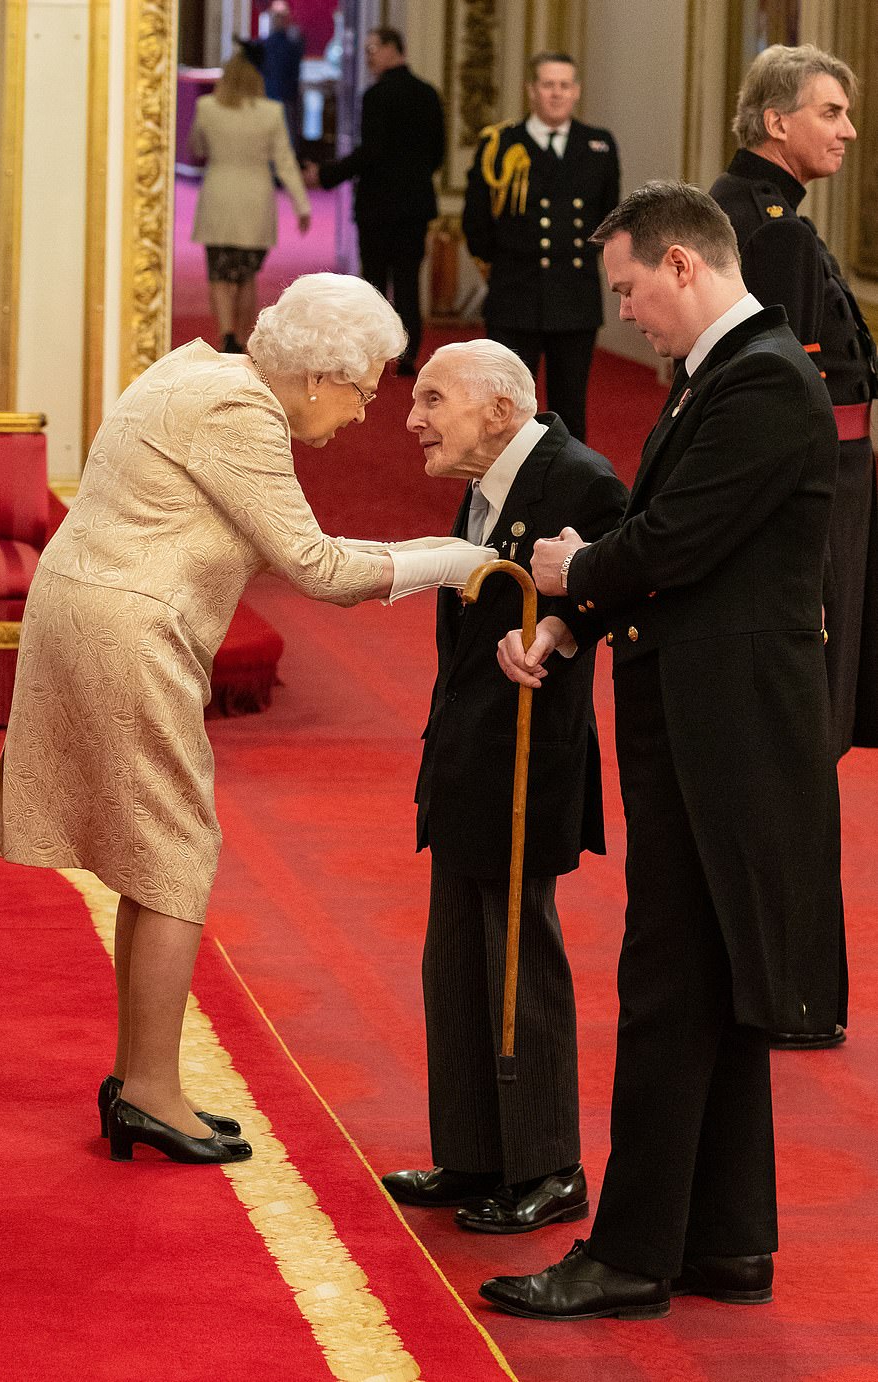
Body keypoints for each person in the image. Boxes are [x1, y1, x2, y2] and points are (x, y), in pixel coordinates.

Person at [0, 274, 494, 1167]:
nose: (366, 412)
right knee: (175, 849)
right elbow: (316, 566)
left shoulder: (196, 369)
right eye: (366, 390)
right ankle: (149, 1089)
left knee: (151, 850)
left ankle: (143, 1079)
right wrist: (448, 559)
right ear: (321, 377)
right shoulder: (242, 414)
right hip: (129, 628)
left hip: (87, 610)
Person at [486, 182, 841, 1320]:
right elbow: (669, 541)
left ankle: (631, 1253)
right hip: (711, 723)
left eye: (629, 288)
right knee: (711, 979)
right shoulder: (723, 375)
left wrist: (567, 576)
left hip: (729, 734)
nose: (624, 312)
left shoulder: (766, 380)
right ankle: (728, 1242)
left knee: (666, 983)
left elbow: (671, 540)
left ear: (683, 265)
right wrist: (568, 618)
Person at [381, 340, 627, 1232]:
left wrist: (557, 631)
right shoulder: (491, 477)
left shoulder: (580, 479)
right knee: (455, 957)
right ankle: (473, 1155)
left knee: (522, 958)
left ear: (499, 409)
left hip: (530, 756)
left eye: (433, 400)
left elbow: (614, 585)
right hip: (467, 752)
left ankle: (547, 1164)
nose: (413, 418)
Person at [709, 43, 878, 1050]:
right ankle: (792, 988)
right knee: (799, 743)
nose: (846, 131)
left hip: (828, 498)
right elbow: (789, 406)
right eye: (829, 112)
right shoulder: (766, 233)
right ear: (775, 121)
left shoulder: (761, 217)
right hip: (819, 511)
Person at [461, 52, 620, 442]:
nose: (556, 94)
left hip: (575, 298)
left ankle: (570, 493)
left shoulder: (598, 145)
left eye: (565, 85)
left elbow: (610, 218)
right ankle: (503, 491)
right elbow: (476, 221)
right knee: (506, 409)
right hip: (515, 295)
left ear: (577, 92)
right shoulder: (501, 144)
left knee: (570, 410)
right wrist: (500, 266)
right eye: (548, 85)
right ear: (531, 90)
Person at [303, 27, 445, 376]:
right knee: (409, 281)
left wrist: (325, 175)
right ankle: (410, 354)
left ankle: (374, 355)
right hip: (414, 205)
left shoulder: (377, 95)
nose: (368, 56)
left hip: (379, 205)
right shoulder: (428, 94)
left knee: (376, 283)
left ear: (396, 49)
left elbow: (371, 153)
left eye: (373, 49)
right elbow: (438, 154)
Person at [188, 50, 311, 354]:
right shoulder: (271, 112)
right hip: (256, 200)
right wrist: (302, 204)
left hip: (219, 197)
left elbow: (196, 146)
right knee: (245, 276)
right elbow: (284, 161)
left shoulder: (207, 107)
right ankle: (241, 338)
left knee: (218, 273)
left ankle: (225, 333)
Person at [259, 1, 305, 152]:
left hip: (286, 99)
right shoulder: (265, 45)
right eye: (276, 16)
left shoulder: (293, 42)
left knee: (286, 141)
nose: (279, 19)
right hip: (268, 97)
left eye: (282, 16)